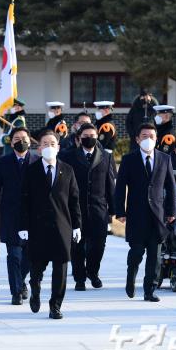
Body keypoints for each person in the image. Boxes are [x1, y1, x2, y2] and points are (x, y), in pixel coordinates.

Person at [18, 129, 81, 319]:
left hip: (62, 227)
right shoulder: (30, 171)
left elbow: (74, 200)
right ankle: (35, 289)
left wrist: (77, 225)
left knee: (61, 268)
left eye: (52, 144)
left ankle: (55, 306)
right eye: (45, 144)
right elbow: (23, 200)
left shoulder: (68, 170)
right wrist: (23, 226)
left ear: (59, 147)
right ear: (38, 148)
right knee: (37, 267)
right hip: (37, 228)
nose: (49, 147)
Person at [115, 123, 176, 302]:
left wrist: (171, 211)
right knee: (136, 253)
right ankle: (130, 278)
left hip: (157, 216)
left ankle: (149, 290)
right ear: (137, 139)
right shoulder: (129, 159)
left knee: (155, 256)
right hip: (136, 215)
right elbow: (120, 188)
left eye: (151, 136)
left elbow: (171, 187)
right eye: (144, 136)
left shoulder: (165, 159)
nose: (148, 139)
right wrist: (120, 211)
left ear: (157, 139)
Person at [59, 123, 116, 291]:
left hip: (99, 210)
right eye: (85, 136)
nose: (89, 138)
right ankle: (79, 278)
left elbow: (110, 184)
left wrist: (114, 210)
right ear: (79, 138)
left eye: (93, 135)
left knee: (98, 245)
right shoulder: (68, 156)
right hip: (76, 209)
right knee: (77, 246)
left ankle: (93, 272)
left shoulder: (106, 156)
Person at [0, 127, 35, 305]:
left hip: (33, 216)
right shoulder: (3, 162)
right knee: (14, 255)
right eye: (16, 138)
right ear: (11, 141)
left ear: (30, 141)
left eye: (23, 137)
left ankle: (21, 281)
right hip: (11, 215)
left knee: (29, 255)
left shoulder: (37, 161)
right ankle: (16, 291)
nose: (20, 141)